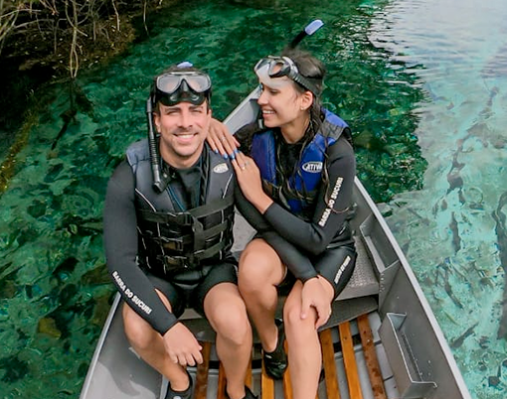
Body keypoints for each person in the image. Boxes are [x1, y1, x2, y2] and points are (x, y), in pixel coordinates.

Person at [208, 47, 357, 399]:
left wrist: (258, 196)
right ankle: (272, 344)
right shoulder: (255, 137)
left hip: (329, 248)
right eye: (261, 90)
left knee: (301, 315)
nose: (261, 100)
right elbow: (210, 147)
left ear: (305, 99)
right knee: (251, 270)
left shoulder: (337, 152)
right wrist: (210, 124)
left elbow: (319, 239)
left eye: (273, 92)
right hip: (278, 238)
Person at [103, 62, 256, 399]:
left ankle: (235, 391)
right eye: (173, 112)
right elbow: (120, 262)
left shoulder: (229, 161)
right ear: (156, 120)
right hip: (159, 275)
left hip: (213, 271)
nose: (185, 122)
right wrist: (168, 326)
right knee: (138, 328)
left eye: (196, 112)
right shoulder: (129, 174)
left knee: (235, 321)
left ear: (208, 116)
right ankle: (180, 383)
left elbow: (264, 219)